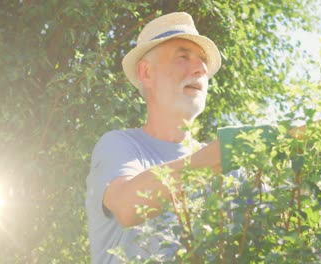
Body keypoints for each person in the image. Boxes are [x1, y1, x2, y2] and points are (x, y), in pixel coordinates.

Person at [86, 12, 227, 263]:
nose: (201, 68)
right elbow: (127, 206)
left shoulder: (230, 168)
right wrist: (223, 155)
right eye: (183, 56)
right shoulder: (120, 146)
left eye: (203, 61)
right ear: (146, 72)